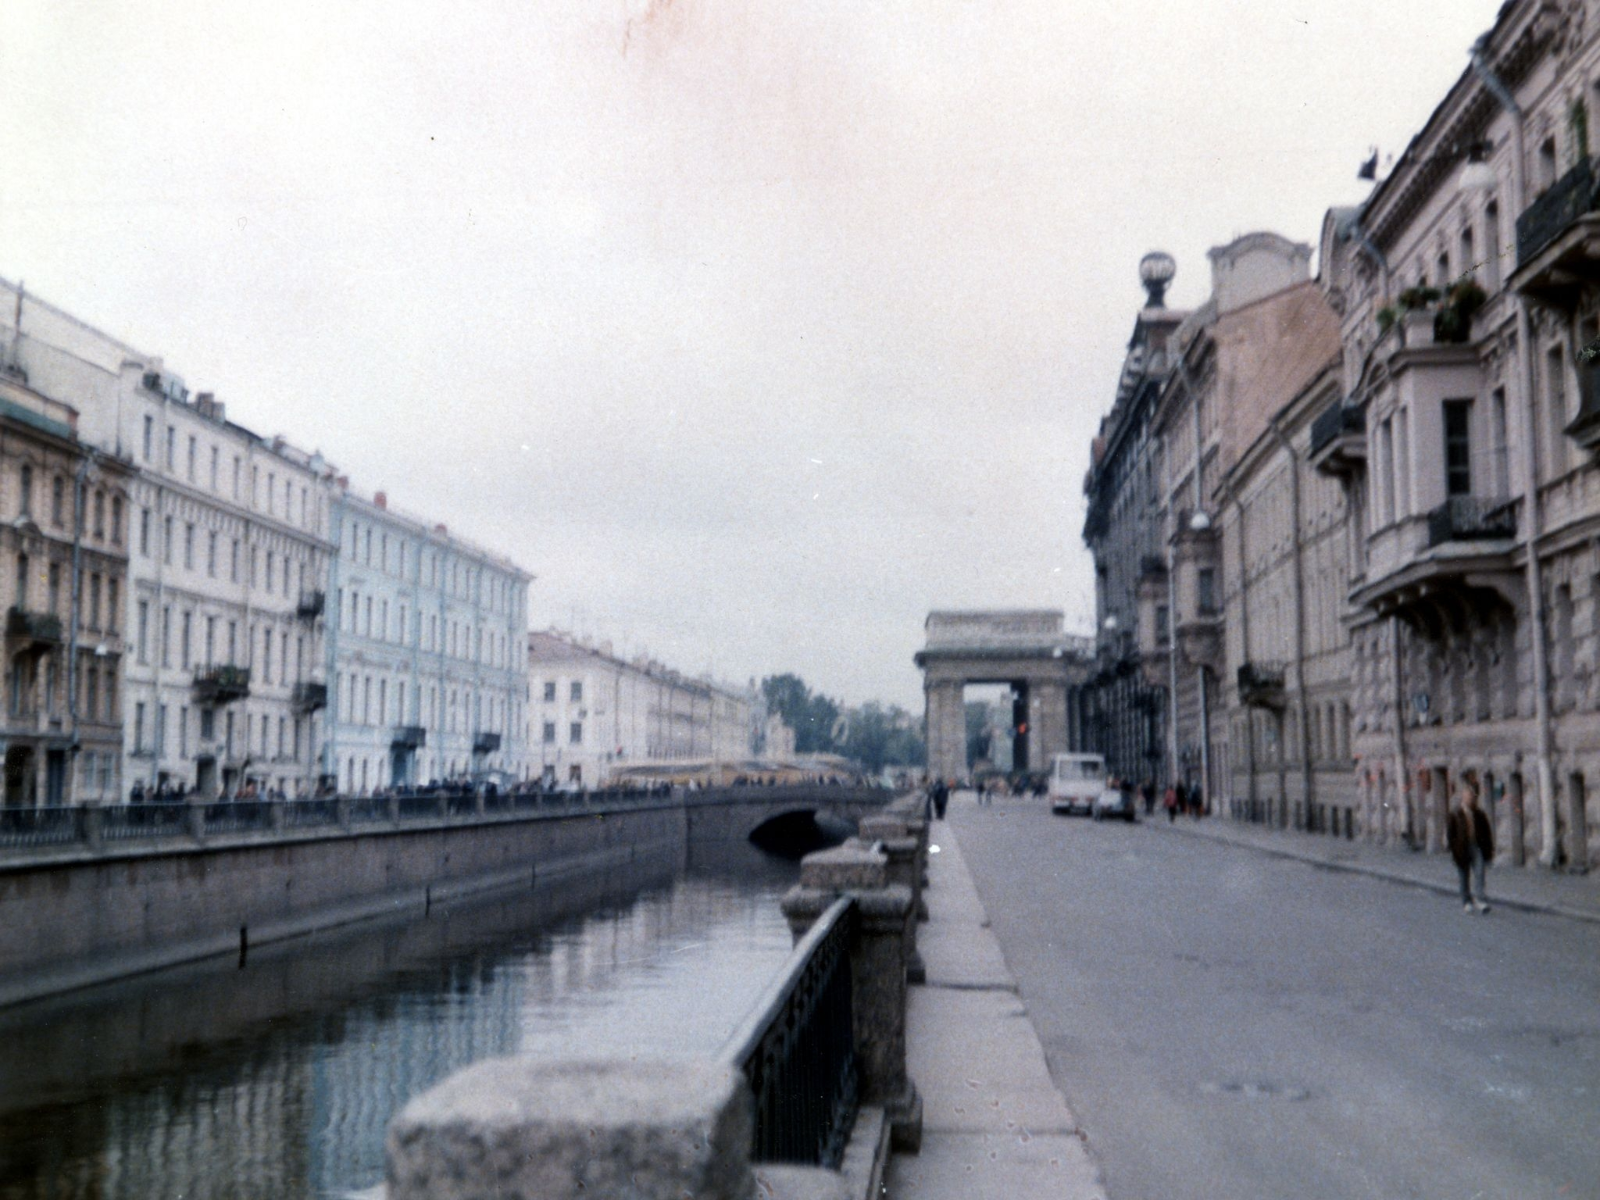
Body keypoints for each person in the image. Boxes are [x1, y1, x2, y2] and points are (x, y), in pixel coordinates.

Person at [1447, 780, 1494, 914]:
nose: (1469, 799)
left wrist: (1489, 851)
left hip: (1476, 846)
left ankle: (1480, 899)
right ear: (1463, 797)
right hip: (1462, 848)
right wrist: (1454, 851)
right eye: (1467, 796)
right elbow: (1450, 834)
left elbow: (1487, 832)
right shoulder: (1455, 814)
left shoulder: (1479, 814)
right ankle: (1466, 901)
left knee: (1480, 873)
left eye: (1472, 797)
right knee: (1464, 876)